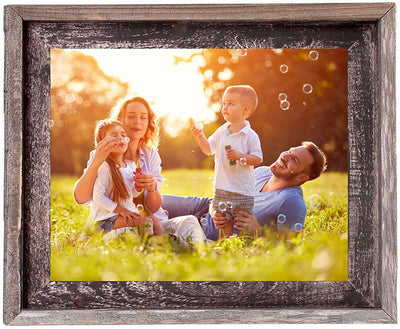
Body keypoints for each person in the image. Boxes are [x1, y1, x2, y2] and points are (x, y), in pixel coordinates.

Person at [74, 96, 206, 243]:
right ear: (120, 120)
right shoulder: (102, 155)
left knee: (189, 221)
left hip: (147, 219)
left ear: (148, 123)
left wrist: (151, 187)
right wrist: (96, 162)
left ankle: (202, 252)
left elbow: (154, 207)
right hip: (117, 224)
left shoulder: (150, 155)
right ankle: (169, 247)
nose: (138, 122)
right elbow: (81, 198)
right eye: (131, 116)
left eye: (143, 118)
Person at [162, 142, 327, 241]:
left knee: (156, 227)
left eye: (294, 160)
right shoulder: (263, 172)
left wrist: (259, 231)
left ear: (301, 177)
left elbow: (291, 248)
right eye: (290, 151)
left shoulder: (291, 202)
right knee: (150, 199)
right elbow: (224, 194)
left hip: (213, 232)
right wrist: (214, 210)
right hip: (205, 206)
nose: (285, 156)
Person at [191, 85, 263, 238]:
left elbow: (257, 159)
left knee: (243, 223)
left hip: (242, 190)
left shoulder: (250, 135)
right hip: (222, 188)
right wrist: (200, 136)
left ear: (245, 110)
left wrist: (240, 156)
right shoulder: (222, 131)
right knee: (224, 223)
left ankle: (246, 247)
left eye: (231, 103)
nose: (225, 107)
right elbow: (208, 150)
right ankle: (226, 248)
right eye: (224, 103)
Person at [88, 119, 164, 236]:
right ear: (103, 142)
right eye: (114, 135)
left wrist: (138, 187)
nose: (121, 138)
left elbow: (132, 195)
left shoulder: (131, 165)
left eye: (123, 135)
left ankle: (163, 248)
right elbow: (98, 197)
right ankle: (148, 250)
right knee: (146, 222)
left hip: (123, 215)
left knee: (155, 221)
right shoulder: (105, 166)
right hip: (106, 219)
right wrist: (121, 210)